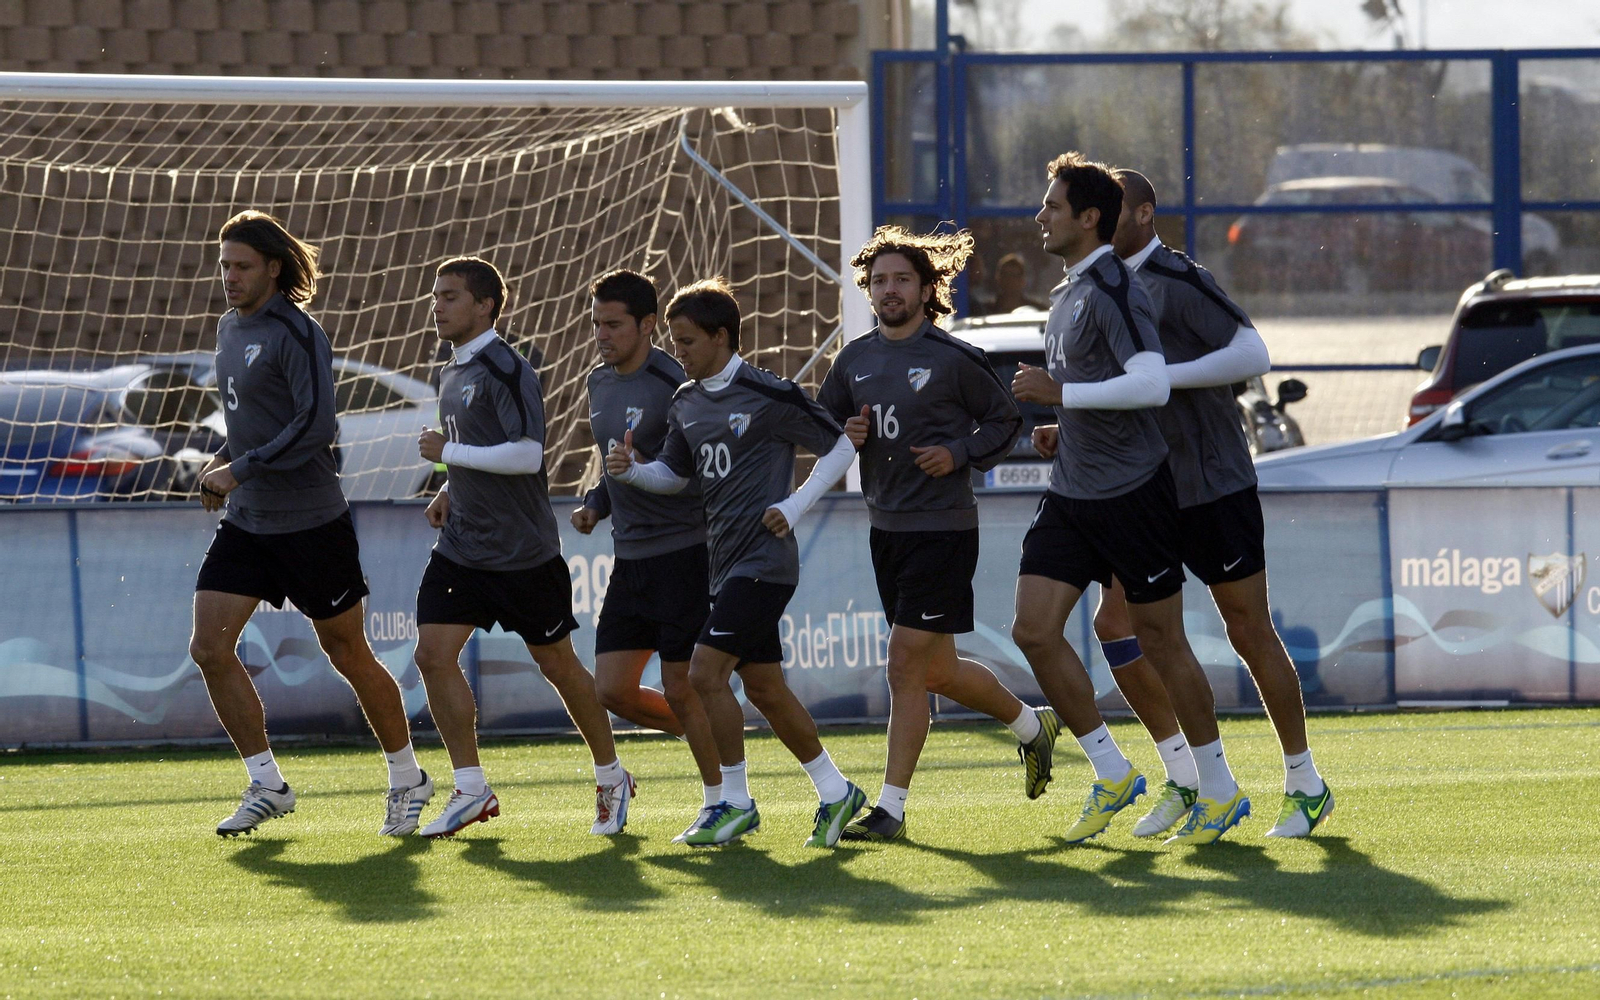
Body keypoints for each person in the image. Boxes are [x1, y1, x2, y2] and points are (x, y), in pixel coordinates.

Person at [1010, 152, 1248, 846]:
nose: (1040, 216)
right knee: (1032, 629)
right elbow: (1103, 389)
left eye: (1052, 206)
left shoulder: (1116, 288)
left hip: (1134, 495)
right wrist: (1067, 422)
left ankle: (1221, 788)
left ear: (1088, 218)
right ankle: (1113, 770)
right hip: (1072, 493)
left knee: (1160, 640)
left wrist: (1061, 396)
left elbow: (1151, 384)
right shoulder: (1067, 291)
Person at [1093, 167, 1330, 839]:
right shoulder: (1094, 289)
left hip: (1213, 485)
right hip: (1141, 495)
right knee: (1119, 627)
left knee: (1248, 631)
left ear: (1143, 213)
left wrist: (1165, 377)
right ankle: (1193, 778)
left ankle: (1305, 783)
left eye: (1107, 211)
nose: (1092, 221)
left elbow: (1252, 351)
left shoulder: (1177, 279)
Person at [816, 225, 1059, 842]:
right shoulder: (855, 359)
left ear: (928, 289)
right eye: (879, 281)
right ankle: (1033, 726)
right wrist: (848, 432)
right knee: (938, 671)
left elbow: (1005, 420)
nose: (889, 290)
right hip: (886, 529)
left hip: (943, 531)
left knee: (903, 663)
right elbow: (826, 426)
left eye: (902, 279)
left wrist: (958, 452)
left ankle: (891, 809)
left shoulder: (954, 358)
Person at [190, 210, 428, 838]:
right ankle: (267, 782)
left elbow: (316, 427)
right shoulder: (227, 327)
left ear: (272, 266)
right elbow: (251, 421)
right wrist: (224, 463)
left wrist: (238, 469)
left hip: (311, 522)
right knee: (209, 648)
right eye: (224, 266)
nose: (230, 277)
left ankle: (409, 777)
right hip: (249, 523)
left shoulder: (298, 332)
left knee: (346, 650)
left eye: (242, 266)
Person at [606, 277, 866, 847]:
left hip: (765, 562)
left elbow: (842, 445)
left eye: (689, 342)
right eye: (675, 342)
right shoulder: (686, 401)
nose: (680, 353)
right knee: (768, 690)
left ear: (722, 337)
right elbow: (676, 477)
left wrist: (793, 506)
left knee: (702, 674)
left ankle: (734, 801)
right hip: (723, 564)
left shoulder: (769, 394)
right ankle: (836, 792)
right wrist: (631, 471)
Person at [411, 256, 634, 838]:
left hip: (522, 553)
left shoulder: (510, 369)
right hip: (462, 548)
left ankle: (611, 775)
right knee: (432, 656)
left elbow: (527, 454)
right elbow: (473, 448)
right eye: (436, 295)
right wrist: (450, 488)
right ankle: (470, 790)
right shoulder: (452, 370)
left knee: (557, 665)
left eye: (451, 295)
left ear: (485, 305)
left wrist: (448, 457)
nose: (438, 304)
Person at [571, 268, 724, 842]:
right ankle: (706, 735)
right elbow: (614, 462)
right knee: (610, 689)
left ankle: (720, 799)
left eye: (613, 325)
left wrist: (635, 475)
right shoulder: (598, 384)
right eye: (596, 325)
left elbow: (696, 472)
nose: (602, 336)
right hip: (630, 558)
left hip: (684, 553)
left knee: (682, 686)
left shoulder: (675, 385)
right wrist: (595, 503)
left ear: (647, 325)